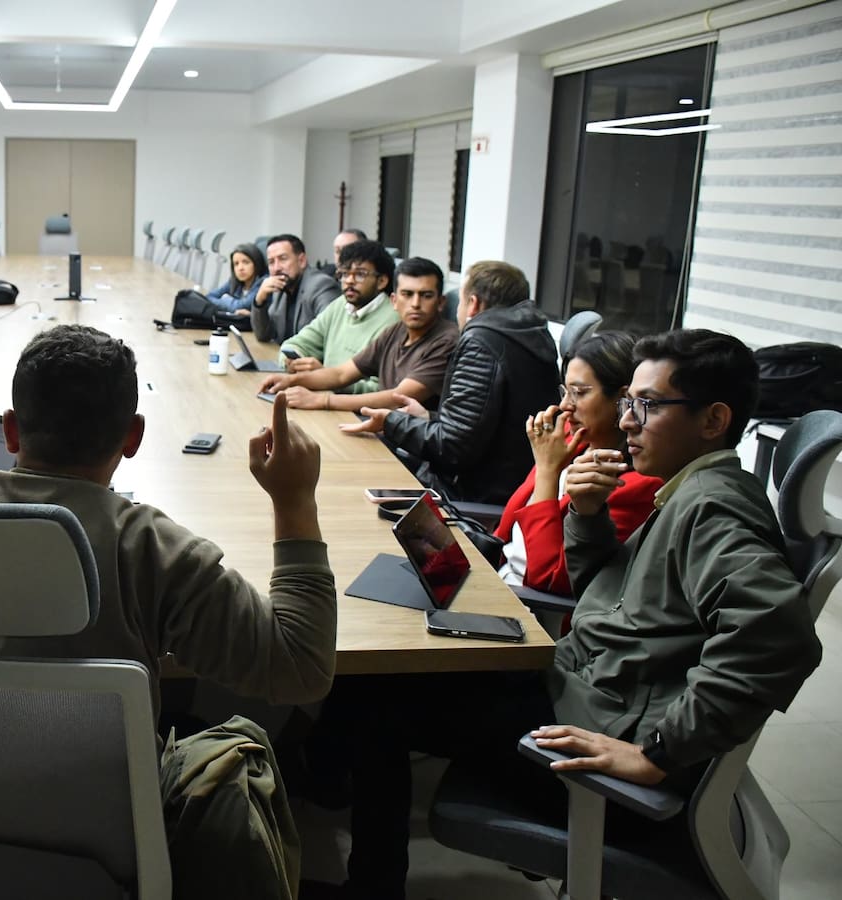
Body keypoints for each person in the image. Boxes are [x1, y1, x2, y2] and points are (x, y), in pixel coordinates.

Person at [0, 324, 337, 896]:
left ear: (11, 430)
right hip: (103, 851)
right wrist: (294, 501)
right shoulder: (152, 550)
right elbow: (301, 668)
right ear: (133, 437)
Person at [330, 328, 823, 900]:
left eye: (649, 405)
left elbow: (779, 634)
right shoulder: (686, 489)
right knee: (387, 678)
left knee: (374, 705)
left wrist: (658, 753)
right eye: (629, 402)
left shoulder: (712, 508)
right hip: (578, 682)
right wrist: (586, 515)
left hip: (592, 725)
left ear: (714, 421)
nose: (629, 419)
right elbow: (608, 595)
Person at [342, 260, 559, 505]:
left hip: (468, 498)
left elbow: (453, 448)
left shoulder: (481, 342)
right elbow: (481, 429)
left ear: (473, 304)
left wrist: (391, 421)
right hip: (503, 486)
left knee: (352, 485)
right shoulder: (530, 335)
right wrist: (428, 418)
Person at [492, 331, 663, 596]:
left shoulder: (636, 484)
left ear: (623, 400)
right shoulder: (573, 444)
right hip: (498, 576)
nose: (565, 406)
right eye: (564, 392)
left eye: (579, 393)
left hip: (533, 606)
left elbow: (548, 580)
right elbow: (507, 534)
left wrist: (548, 472)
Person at [259, 257, 457, 411]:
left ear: (441, 303)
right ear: (394, 300)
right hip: (382, 428)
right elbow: (342, 374)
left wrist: (323, 400)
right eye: (407, 294)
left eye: (426, 295)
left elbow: (399, 397)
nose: (415, 304)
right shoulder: (396, 331)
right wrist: (290, 380)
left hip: (406, 448)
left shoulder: (446, 340)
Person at [276, 240, 400, 393]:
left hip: (356, 411)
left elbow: (380, 389)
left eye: (360, 274)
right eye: (344, 274)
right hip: (322, 397)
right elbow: (296, 343)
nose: (349, 281)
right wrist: (290, 361)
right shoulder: (340, 305)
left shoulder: (393, 321)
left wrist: (326, 377)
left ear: (381, 281)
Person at [251, 234, 341, 344]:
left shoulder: (321, 285)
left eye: (283, 259)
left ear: (302, 261)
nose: (276, 268)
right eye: (271, 262)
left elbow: (329, 333)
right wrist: (259, 300)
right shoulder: (282, 288)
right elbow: (263, 335)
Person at [206, 242, 266, 313]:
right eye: (236, 264)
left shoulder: (263, 283)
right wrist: (230, 304)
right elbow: (209, 297)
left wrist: (226, 299)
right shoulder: (234, 281)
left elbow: (240, 306)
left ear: (256, 263)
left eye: (246, 262)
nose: (240, 268)